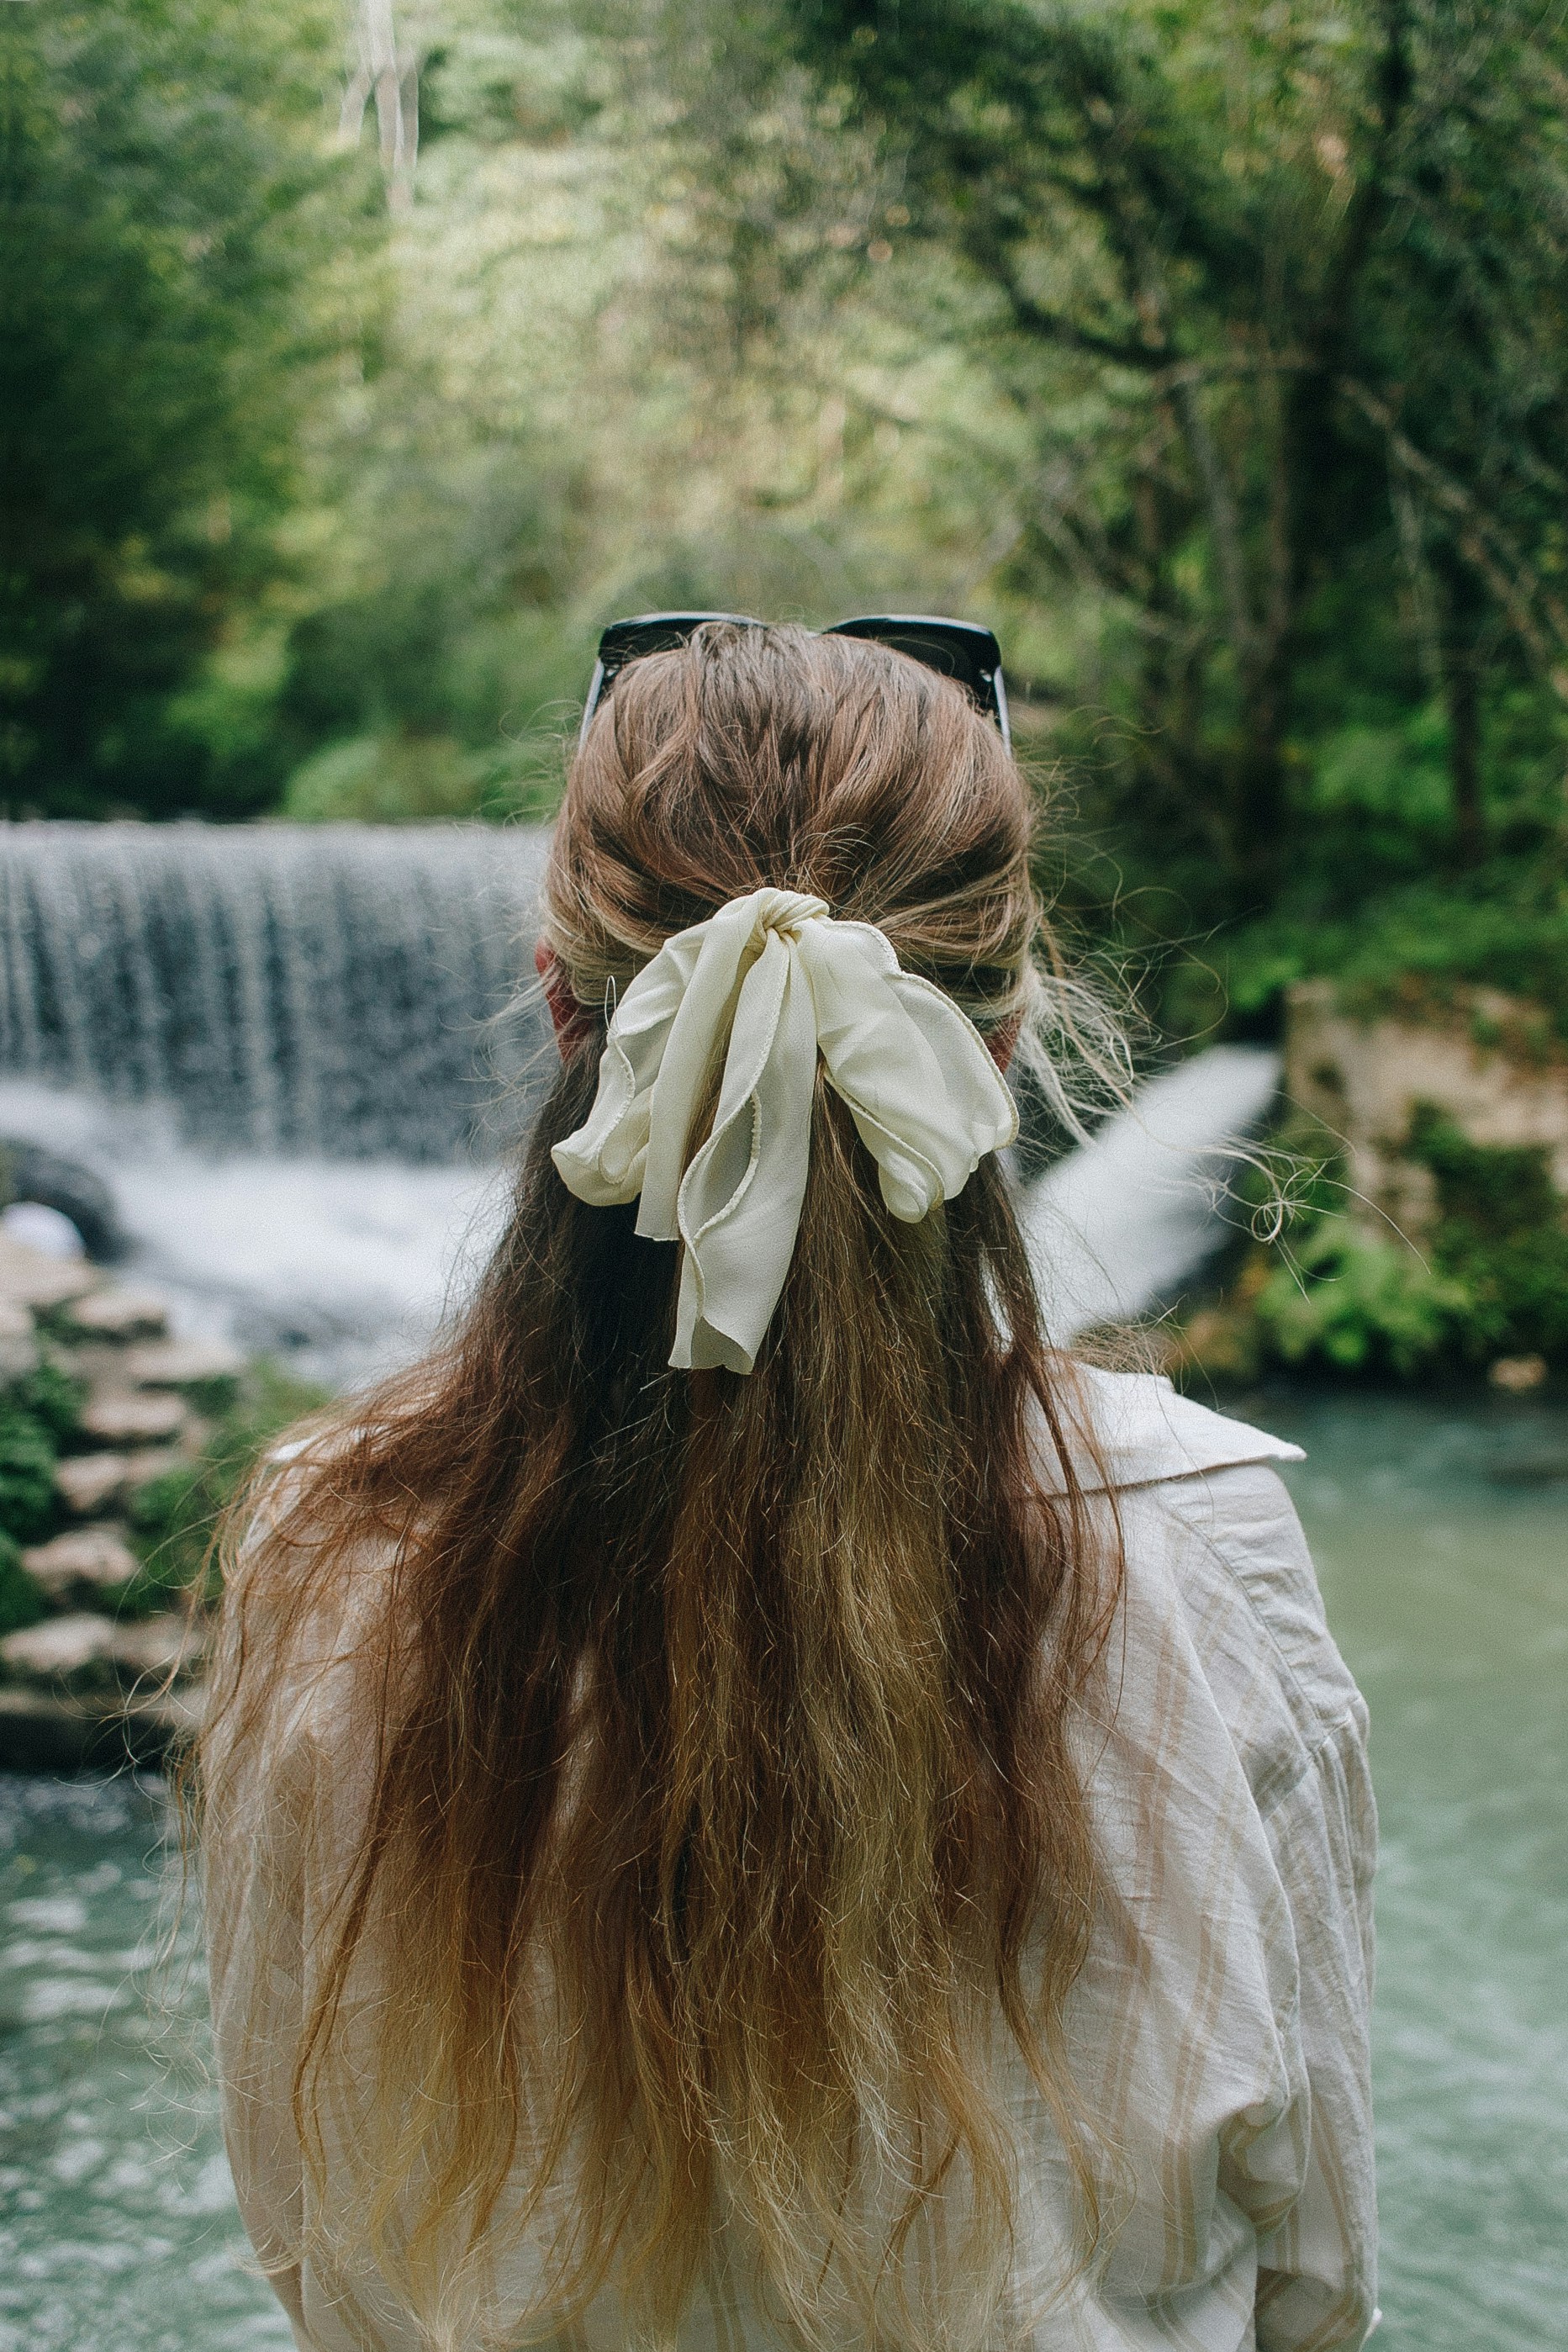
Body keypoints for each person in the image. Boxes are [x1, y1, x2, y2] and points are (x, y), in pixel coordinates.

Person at [200, 622, 1377, 2352]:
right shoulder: (1197, 1537)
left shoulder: (332, 1542)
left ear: (560, 1008)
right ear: (1004, 1032)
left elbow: (306, 2238)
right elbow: (1316, 2266)